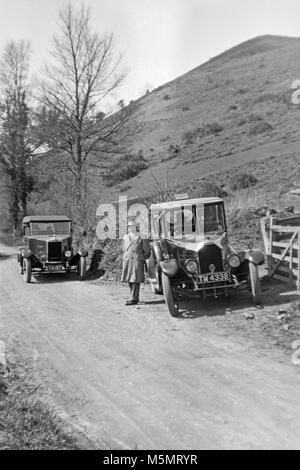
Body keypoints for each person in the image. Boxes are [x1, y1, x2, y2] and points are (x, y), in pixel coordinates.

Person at [121, 219, 151, 306]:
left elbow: (147, 251)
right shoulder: (125, 237)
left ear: (136, 227)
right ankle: (132, 297)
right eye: (129, 226)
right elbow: (123, 248)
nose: (130, 228)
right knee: (129, 279)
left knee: (135, 279)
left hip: (137, 261)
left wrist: (141, 258)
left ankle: (133, 298)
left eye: (132, 226)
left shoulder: (142, 236)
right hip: (127, 260)